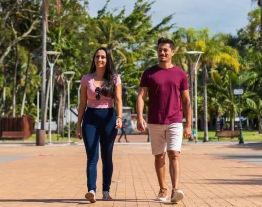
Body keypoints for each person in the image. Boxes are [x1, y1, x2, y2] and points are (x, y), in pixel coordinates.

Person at [136, 37, 192, 203]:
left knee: (174, 154)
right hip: (155, 120)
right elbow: (141, 96)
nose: (162, 53)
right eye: (160, 50)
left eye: (165, 50)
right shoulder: (149, 73)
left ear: (172, 52)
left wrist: (188, 125)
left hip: (175, 120)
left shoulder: (181, 74)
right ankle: (162, 190)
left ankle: (175, 190)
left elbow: (186, 100)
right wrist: (140, 117)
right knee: (159, 156)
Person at [76, 47, 123, 203]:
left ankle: (106, 191)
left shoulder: (115, 78)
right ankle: (91, 191)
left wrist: (119, 117)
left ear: (107, 59)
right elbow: (82, 103)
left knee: (107, 157)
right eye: (97, 57)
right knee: (92, 157)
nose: (100, 59)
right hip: (90, 119)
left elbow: (118, 100)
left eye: (103, 57)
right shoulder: (86, 79)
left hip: (108, 118)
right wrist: (78, 124)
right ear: (94, 59)